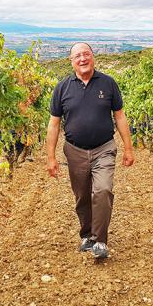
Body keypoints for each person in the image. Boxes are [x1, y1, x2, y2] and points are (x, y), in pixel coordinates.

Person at [46, 42, 135, 259]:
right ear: (72, 61)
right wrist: (50, 157)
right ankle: (86, 234)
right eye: (78, 56)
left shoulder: (108, 83)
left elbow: (120, 116)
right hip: (74, 151)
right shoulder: (62, 87)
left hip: (104, 148)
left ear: (93, 57)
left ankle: (100, 240)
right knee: (82, 196)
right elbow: (54, 124)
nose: (82, 59)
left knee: (103, 190)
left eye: (86, 54)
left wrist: (128, 148)